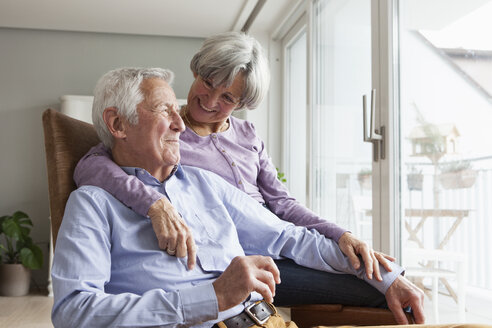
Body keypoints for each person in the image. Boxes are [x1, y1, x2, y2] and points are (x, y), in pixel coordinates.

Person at [51, 67, 424, 327]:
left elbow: (288, 233)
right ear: (117, 124)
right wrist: (213, 297)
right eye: (165, 110)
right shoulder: (94, 203)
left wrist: (388, 276)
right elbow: (73, 313)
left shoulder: (204, 183)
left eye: (229, 96)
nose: (182, 124)